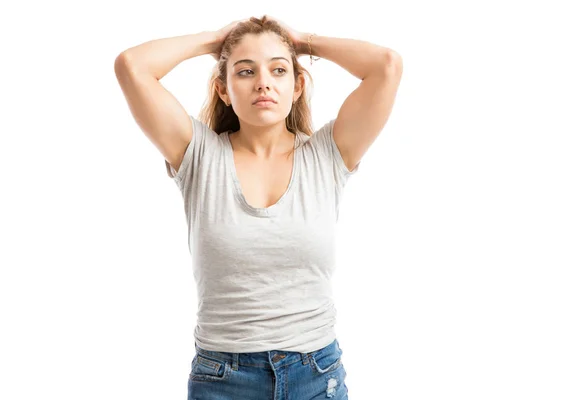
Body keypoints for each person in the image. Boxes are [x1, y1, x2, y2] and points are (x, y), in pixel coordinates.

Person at [114, 14, 402, 400]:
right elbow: (132, 66)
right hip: (223, 377)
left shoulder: (328, 154)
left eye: (278, 70)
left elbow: (386, 66)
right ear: (223, 89)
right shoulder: (199, 154)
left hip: (316, 374)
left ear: (297, 86)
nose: (263, 82)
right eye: (246, 71)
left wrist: (303, 42)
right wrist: (216, 40)